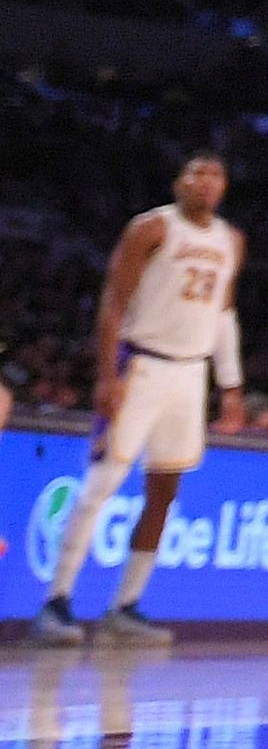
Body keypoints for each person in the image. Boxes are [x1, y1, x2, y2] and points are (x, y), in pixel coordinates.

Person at [31, 154, 245, 645]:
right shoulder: (150, 229)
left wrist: (230, 386)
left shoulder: (231, 241)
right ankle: (57, 600)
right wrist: (107, 375)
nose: (207, 183)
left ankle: (125, 606)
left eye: (216, 176)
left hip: (191, 374)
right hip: (142, 363)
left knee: (164, 491)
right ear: (179, 183)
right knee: (103, 482)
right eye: (198, 174)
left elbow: (224, 315)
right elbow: (114, 302)